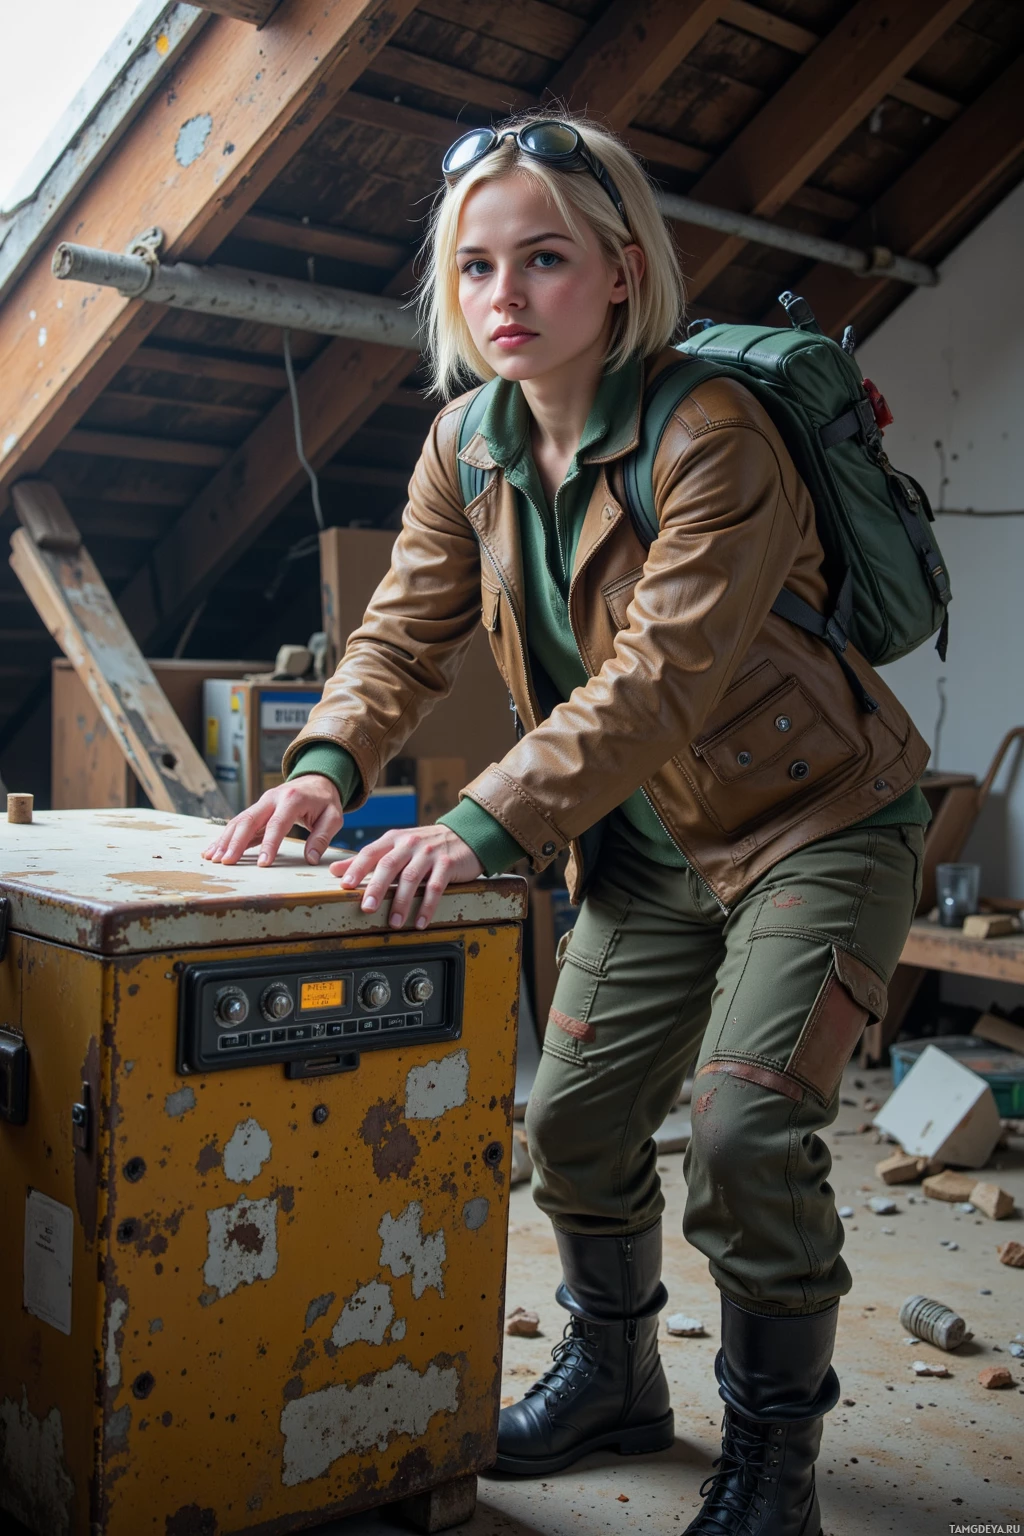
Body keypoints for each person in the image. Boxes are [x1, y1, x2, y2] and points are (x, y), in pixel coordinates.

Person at [203, 112, 930, 1535]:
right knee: (574, 1124)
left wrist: (474, 830)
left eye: (544, 259)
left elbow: (660, 680)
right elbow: (401, 631)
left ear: (618, 271)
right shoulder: (463, 444)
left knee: (741, 1130)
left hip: (815, 818)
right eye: (477, 268)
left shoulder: (714, 435)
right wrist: (326, 767)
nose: (505, 297)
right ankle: (615, 1382)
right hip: (648, 847)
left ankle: (775, 1456)